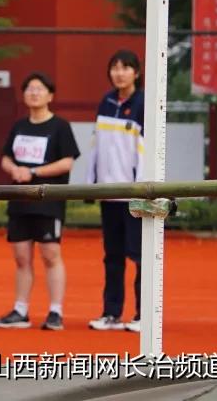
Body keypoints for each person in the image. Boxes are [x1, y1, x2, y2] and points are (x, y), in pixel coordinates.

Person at [0, 72, 79, 332]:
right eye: (29, 89)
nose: (34, 93)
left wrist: (34, 172)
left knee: (51, 254)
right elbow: (5, 157)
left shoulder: (60, 126)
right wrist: (14, 169)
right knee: (21, 256)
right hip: (20, 201)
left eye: (40, 89)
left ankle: (55, 311)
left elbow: (67, 161)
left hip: (48, 201)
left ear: (50, 95)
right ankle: (20, 310)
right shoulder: (19, 126)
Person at [85, 50, 144, 333]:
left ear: (137, 72)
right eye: (115, 68)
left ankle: (143, 315)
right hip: (109, 194)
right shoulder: (106, 102)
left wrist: (143, 187)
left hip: (135, 194)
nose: (119, 73)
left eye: (125, 68)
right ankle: (111, 313)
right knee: (113, 256)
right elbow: (96, 146)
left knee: (140, 255)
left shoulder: (144, 103)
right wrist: (91, 183)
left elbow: (145, 152)